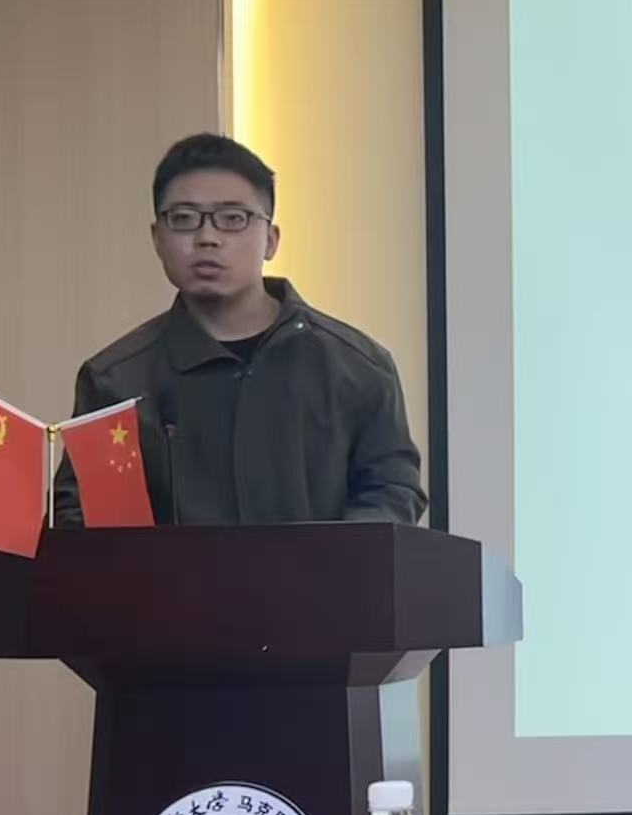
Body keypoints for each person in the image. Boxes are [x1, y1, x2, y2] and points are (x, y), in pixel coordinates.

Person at [51, 134, 426, 526]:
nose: (207, 238)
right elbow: (85, 518)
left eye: (233, 219)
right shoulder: (115, 382)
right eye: (184, 219)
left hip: (325, 569)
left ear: (271, 240)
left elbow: (392, 490)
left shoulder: (358, 367)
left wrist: (332, 556)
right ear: (157, 239)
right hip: (168, 572)